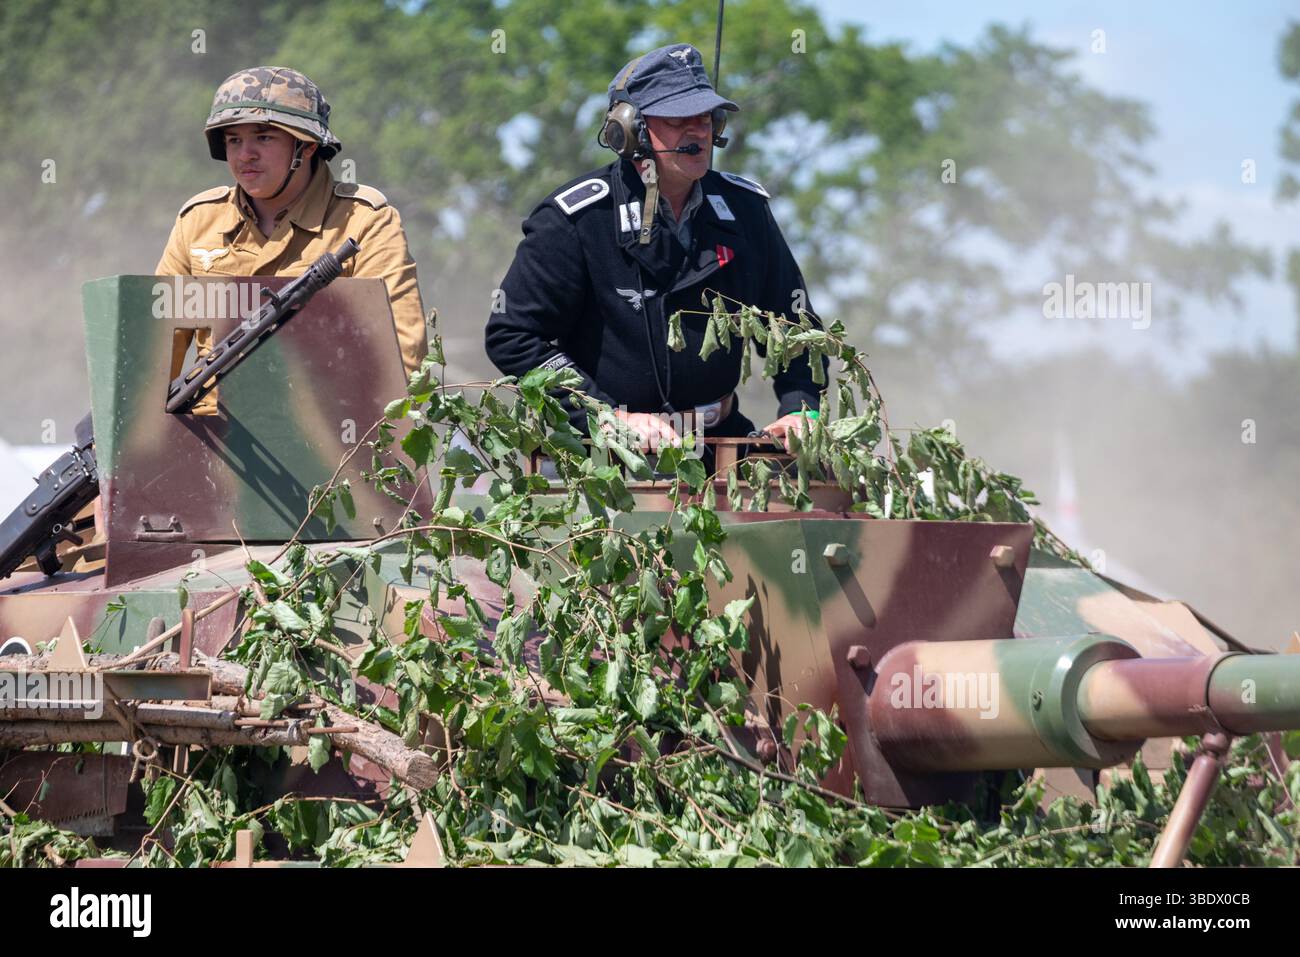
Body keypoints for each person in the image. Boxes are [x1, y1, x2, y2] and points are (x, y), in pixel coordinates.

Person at [485, 43, 826, 456]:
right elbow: (514, 335)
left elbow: (797, 329)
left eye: (706, 117)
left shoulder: (746, 211)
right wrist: (605, 414)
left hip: (720, 444)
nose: (698, 131)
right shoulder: (577, 218)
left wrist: (801, 409)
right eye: (679, 118)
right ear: (629, 130)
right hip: (601, 459)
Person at [157, 66, 428, 398]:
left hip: (327, 432)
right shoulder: (198, 222)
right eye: (233, 140)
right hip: (211, 432)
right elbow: (155, 353)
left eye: (263, 137)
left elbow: (402, 359)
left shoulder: (363, 222)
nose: (245, 154)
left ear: (308, 146)